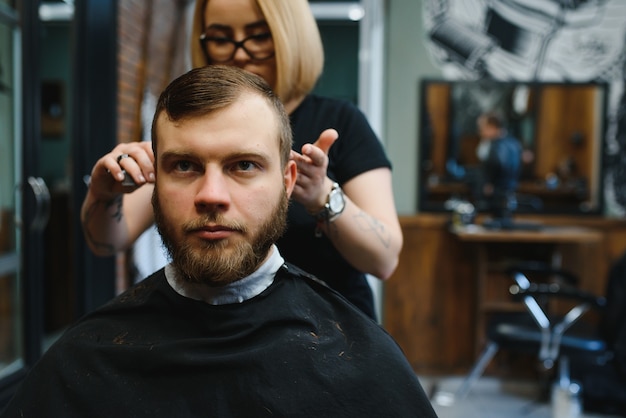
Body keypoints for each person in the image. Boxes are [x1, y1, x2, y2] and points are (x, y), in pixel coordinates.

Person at [2, 65, 437, 417]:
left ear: (289, 181)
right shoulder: (84, 360)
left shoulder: (361, 361)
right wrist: (101, 195)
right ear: (155, 183)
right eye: (185, 166)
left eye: (244, 165)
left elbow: (384, 255)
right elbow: (103, 236)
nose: (211, 195)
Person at [81, 0, 402, 321]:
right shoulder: (191, 126)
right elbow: (109, 241)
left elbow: (383, 259)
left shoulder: (340, 122)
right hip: (220, 334)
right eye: (221, 39)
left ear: (289, 37)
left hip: (330, 337)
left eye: (258, 36)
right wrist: (104, 193)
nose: (239, 53)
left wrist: (322, 196)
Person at [475, 111, 522, 223]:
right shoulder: (514, 143)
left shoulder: (496, 145)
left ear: (492, 127)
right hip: (510, 193)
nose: (480, 132)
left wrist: (489, 182)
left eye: (482, 128)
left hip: (496, 196)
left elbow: (497, 163)